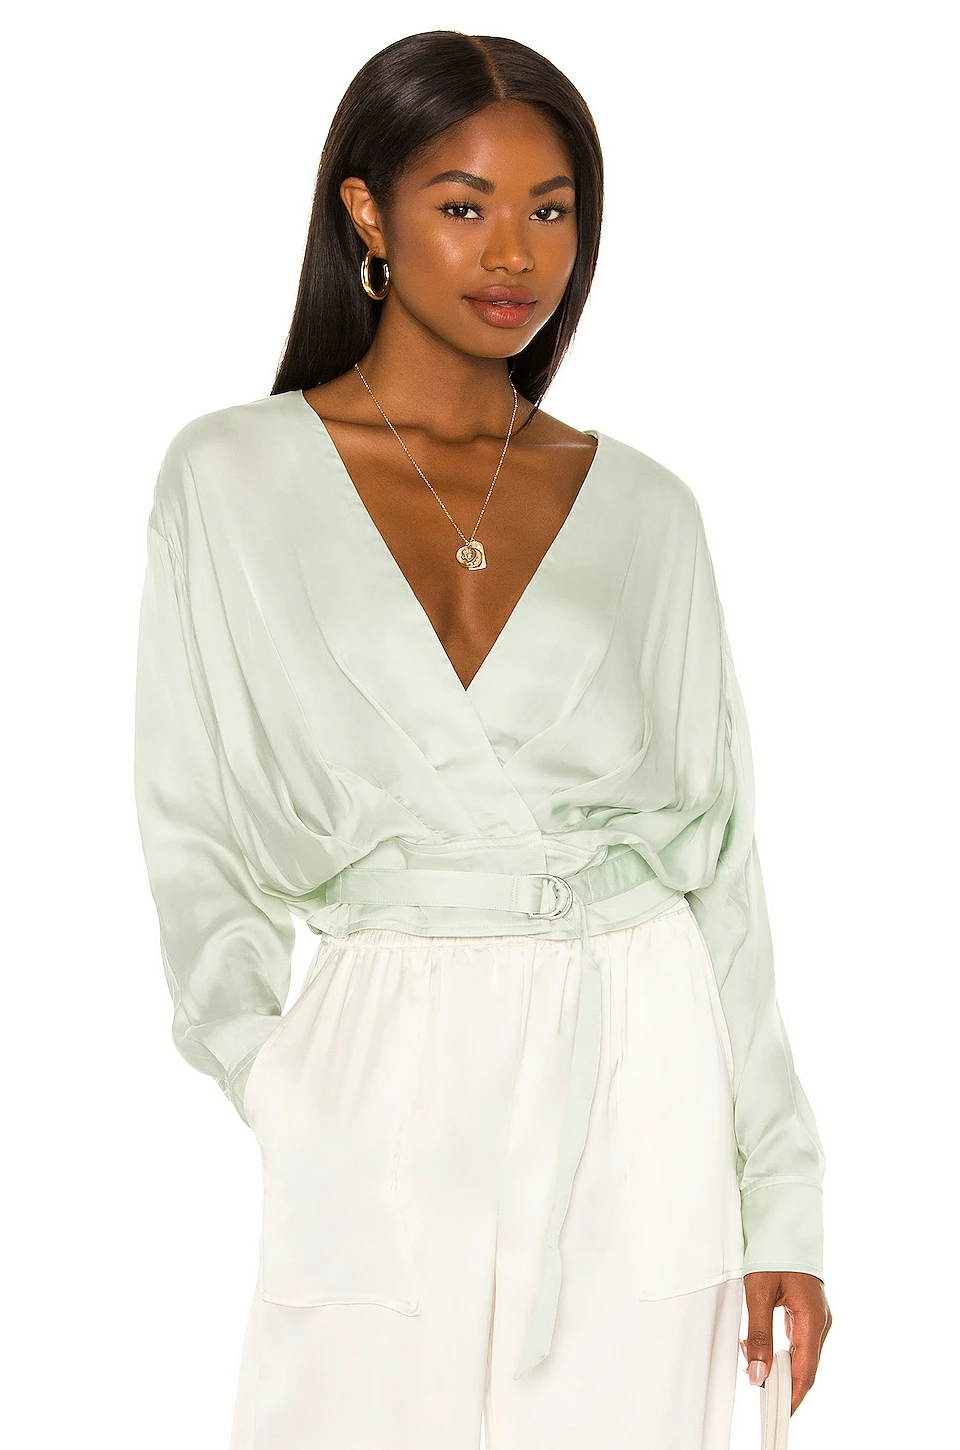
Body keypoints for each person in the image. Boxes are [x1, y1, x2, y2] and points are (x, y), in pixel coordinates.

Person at [133, 28, 832, 1450]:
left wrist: (782, 1198)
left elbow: (723, 863)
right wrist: (276, 1073)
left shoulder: (649, 511)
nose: (516, 252)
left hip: (637, 1064)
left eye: (552, 208)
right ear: (368, 213)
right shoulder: (229, 475)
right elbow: (189, 818)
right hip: (377, 1067)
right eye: (465, 204)